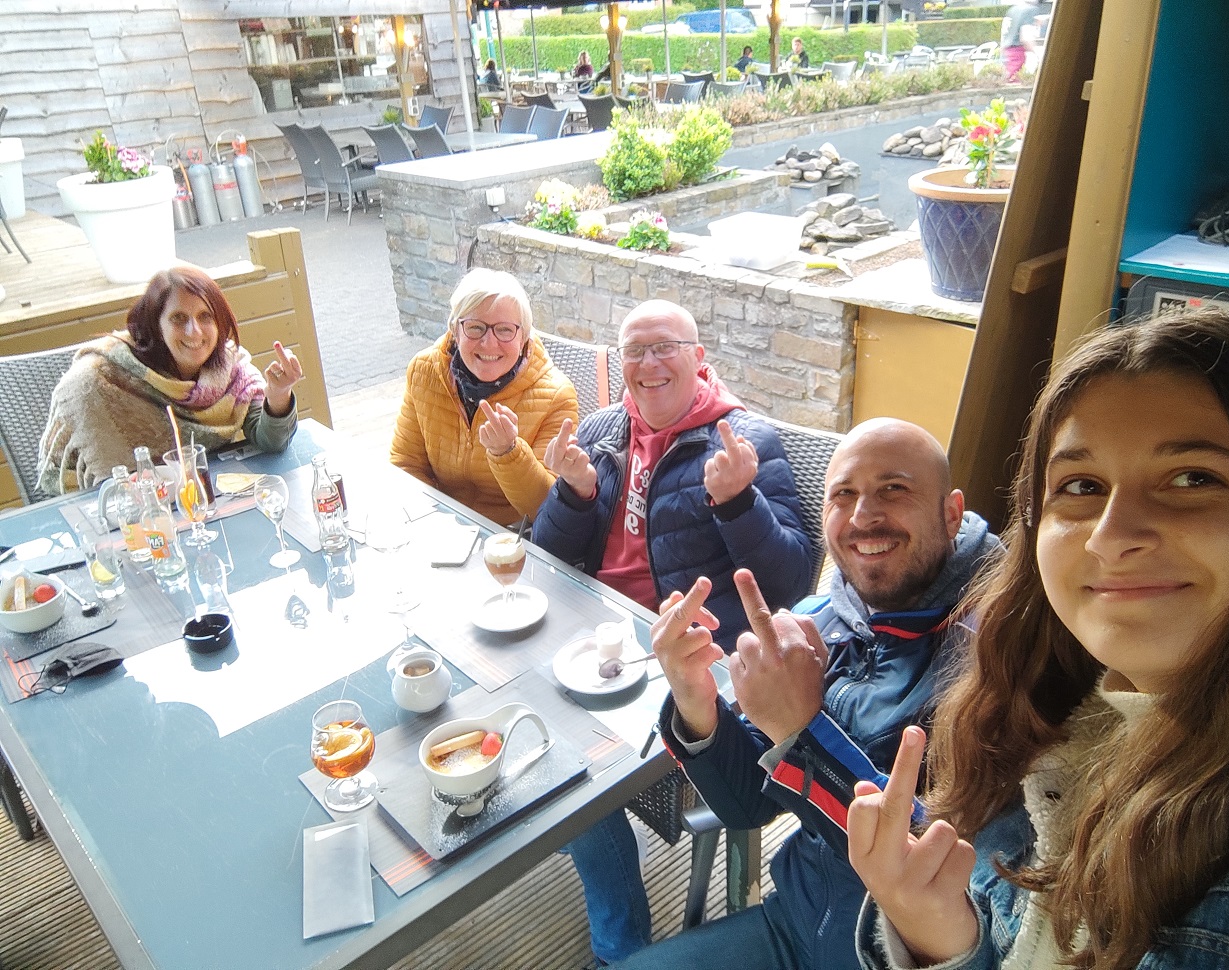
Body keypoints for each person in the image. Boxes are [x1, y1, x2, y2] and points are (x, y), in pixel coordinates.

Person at [848, 309, 1229, 968]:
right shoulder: (1026, 720)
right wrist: (934, 936)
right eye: (1081, 487)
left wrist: (799, 731)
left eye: (1193, 478)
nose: (1111, 536)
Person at [612, 419, 1000, 970]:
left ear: (951, 513)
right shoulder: (820, 618)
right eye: (843, 494)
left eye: (894, 489)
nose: (863, 516)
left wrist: (803, 732)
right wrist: (696, 699)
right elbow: (747, 804)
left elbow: (948, 873)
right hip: (795, 921)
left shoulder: (999, 656)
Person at [533, 299, 812, 965]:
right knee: (521, 715)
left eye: (666, 348)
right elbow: (547, 558)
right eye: (635, 350)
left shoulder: (740, 440)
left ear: (699, 357)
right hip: (596, 636)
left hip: (687, 661)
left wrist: (739, 502)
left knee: (569, 768)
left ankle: (619, 950)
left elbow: (790, 581)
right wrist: (572, 494)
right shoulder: (602, 430)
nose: (649, 363)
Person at [38, 266, 302, 494]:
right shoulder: (101, 379)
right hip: (110, 502)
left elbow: (271, 442)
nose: (194, 331)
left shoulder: (231, 369)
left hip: (197, 496)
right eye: (179, 318)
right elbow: (102, 481)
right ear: (156, 325)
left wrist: (278, 394)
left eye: (205, 316)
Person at [390, 268, 577, 527]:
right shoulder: (424, 371)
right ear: (455, 330)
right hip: (438, 527)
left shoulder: (557, 396)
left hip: (511, 538)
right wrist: (430, 523)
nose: (489, 343)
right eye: (475, 327)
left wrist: (508, 452)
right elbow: (405, 464)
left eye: (505, 330)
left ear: (523, 337)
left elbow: (546, 509)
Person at [1000, 0, 1042, 82]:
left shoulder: (1012, 10)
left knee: (1007, 80)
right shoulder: (1030, 10)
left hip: (1007, 52)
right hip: (1017, 54)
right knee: (1015, 82)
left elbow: (1005, 34)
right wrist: (1039, 54)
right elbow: (1026, 37)